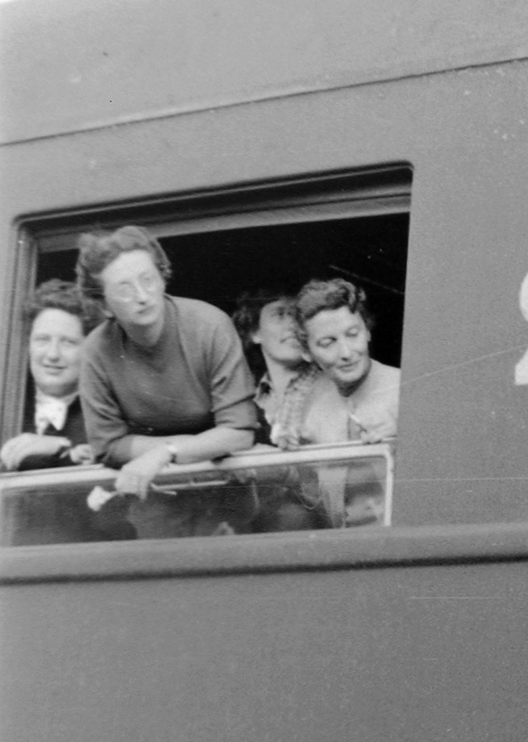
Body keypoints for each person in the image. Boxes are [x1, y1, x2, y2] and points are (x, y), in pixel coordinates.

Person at [76, 226, 258, 537]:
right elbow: (107, 446)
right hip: (156, 499)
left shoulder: (209, 325)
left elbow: (239, 431)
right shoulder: (95, 351)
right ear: (104, 304)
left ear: (162, 277)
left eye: (148, 279)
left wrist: (165, 453)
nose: (143, 296)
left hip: (227, 486)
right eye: (124, 288)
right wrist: (198, 446)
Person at [292, 279, 399, 526]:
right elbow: (310, 501)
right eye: (328, 343)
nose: (347, 352)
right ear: (306, 351)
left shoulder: (410, 391)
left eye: (353, 334)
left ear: (368, 331)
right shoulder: (309, 408)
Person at [1, 280, 101, 471]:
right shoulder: (7, 408)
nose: (53, 354)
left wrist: (60, 447)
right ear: (27, 345)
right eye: (42, 340)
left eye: (68, 342)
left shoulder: (103, 414)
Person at [232, 288, 319, 448]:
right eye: (280, 315)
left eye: (297, 315)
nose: (293, 325)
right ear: (254, 332)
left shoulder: (332, 384)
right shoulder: (250, 399)